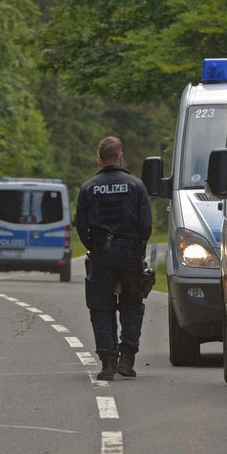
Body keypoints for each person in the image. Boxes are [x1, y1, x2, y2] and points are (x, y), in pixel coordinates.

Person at [75, 136, 153, 380]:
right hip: (129, 254)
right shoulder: (137, 186)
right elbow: (147, 226)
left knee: (100, 307)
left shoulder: (88, 188)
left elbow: (81, 226)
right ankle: (126, 360)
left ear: (99, 159)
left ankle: (107, 362)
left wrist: (95, 247)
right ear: (120, 157)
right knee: (132, 303)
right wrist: (136, 247)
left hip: (101, 256)